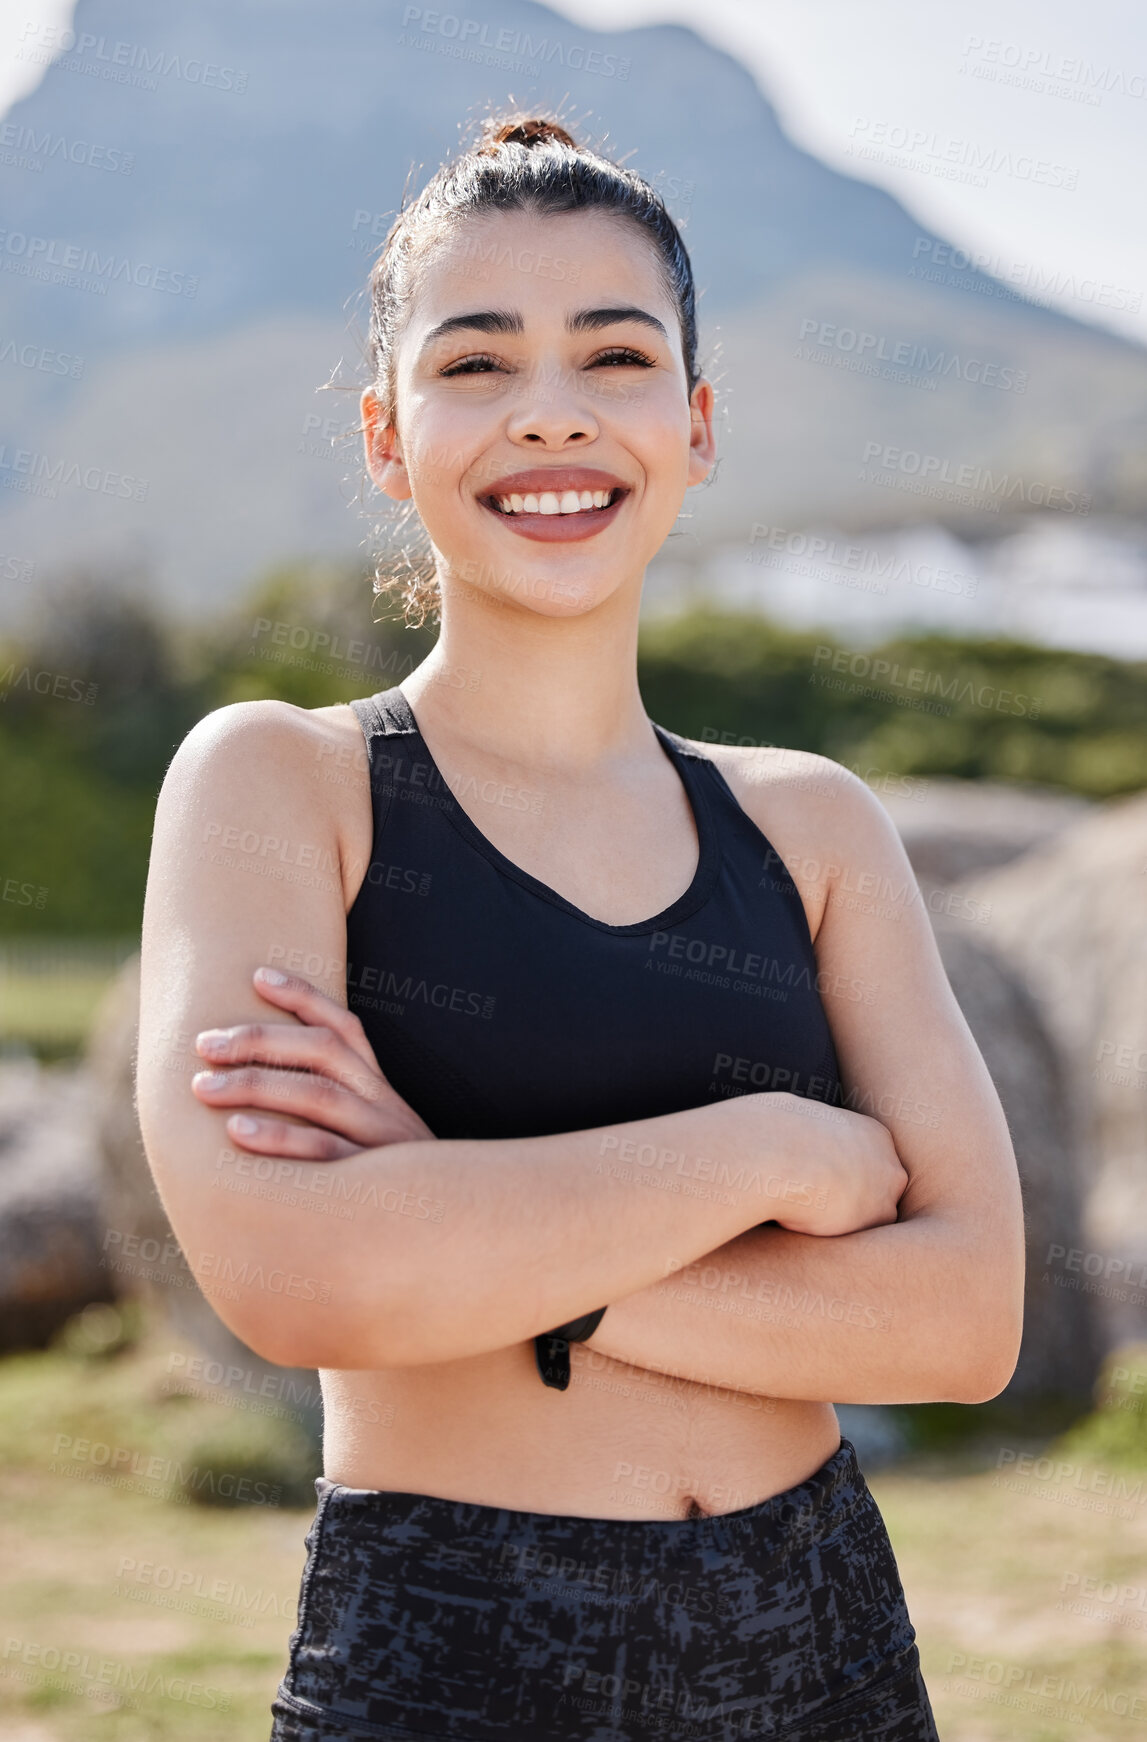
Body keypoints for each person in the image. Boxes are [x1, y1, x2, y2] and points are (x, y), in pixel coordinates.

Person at [136, 114, 1024, 1742]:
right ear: (388, 436)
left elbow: (965, 1318)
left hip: (819, 1639)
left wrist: (474, 1235)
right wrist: (762, 1151)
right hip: (447, 1649)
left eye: (614, 355)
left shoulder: (810, 824)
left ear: (694, 426)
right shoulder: (284, 784)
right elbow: (295, 1274)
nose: (550, 410)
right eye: (475, 364)